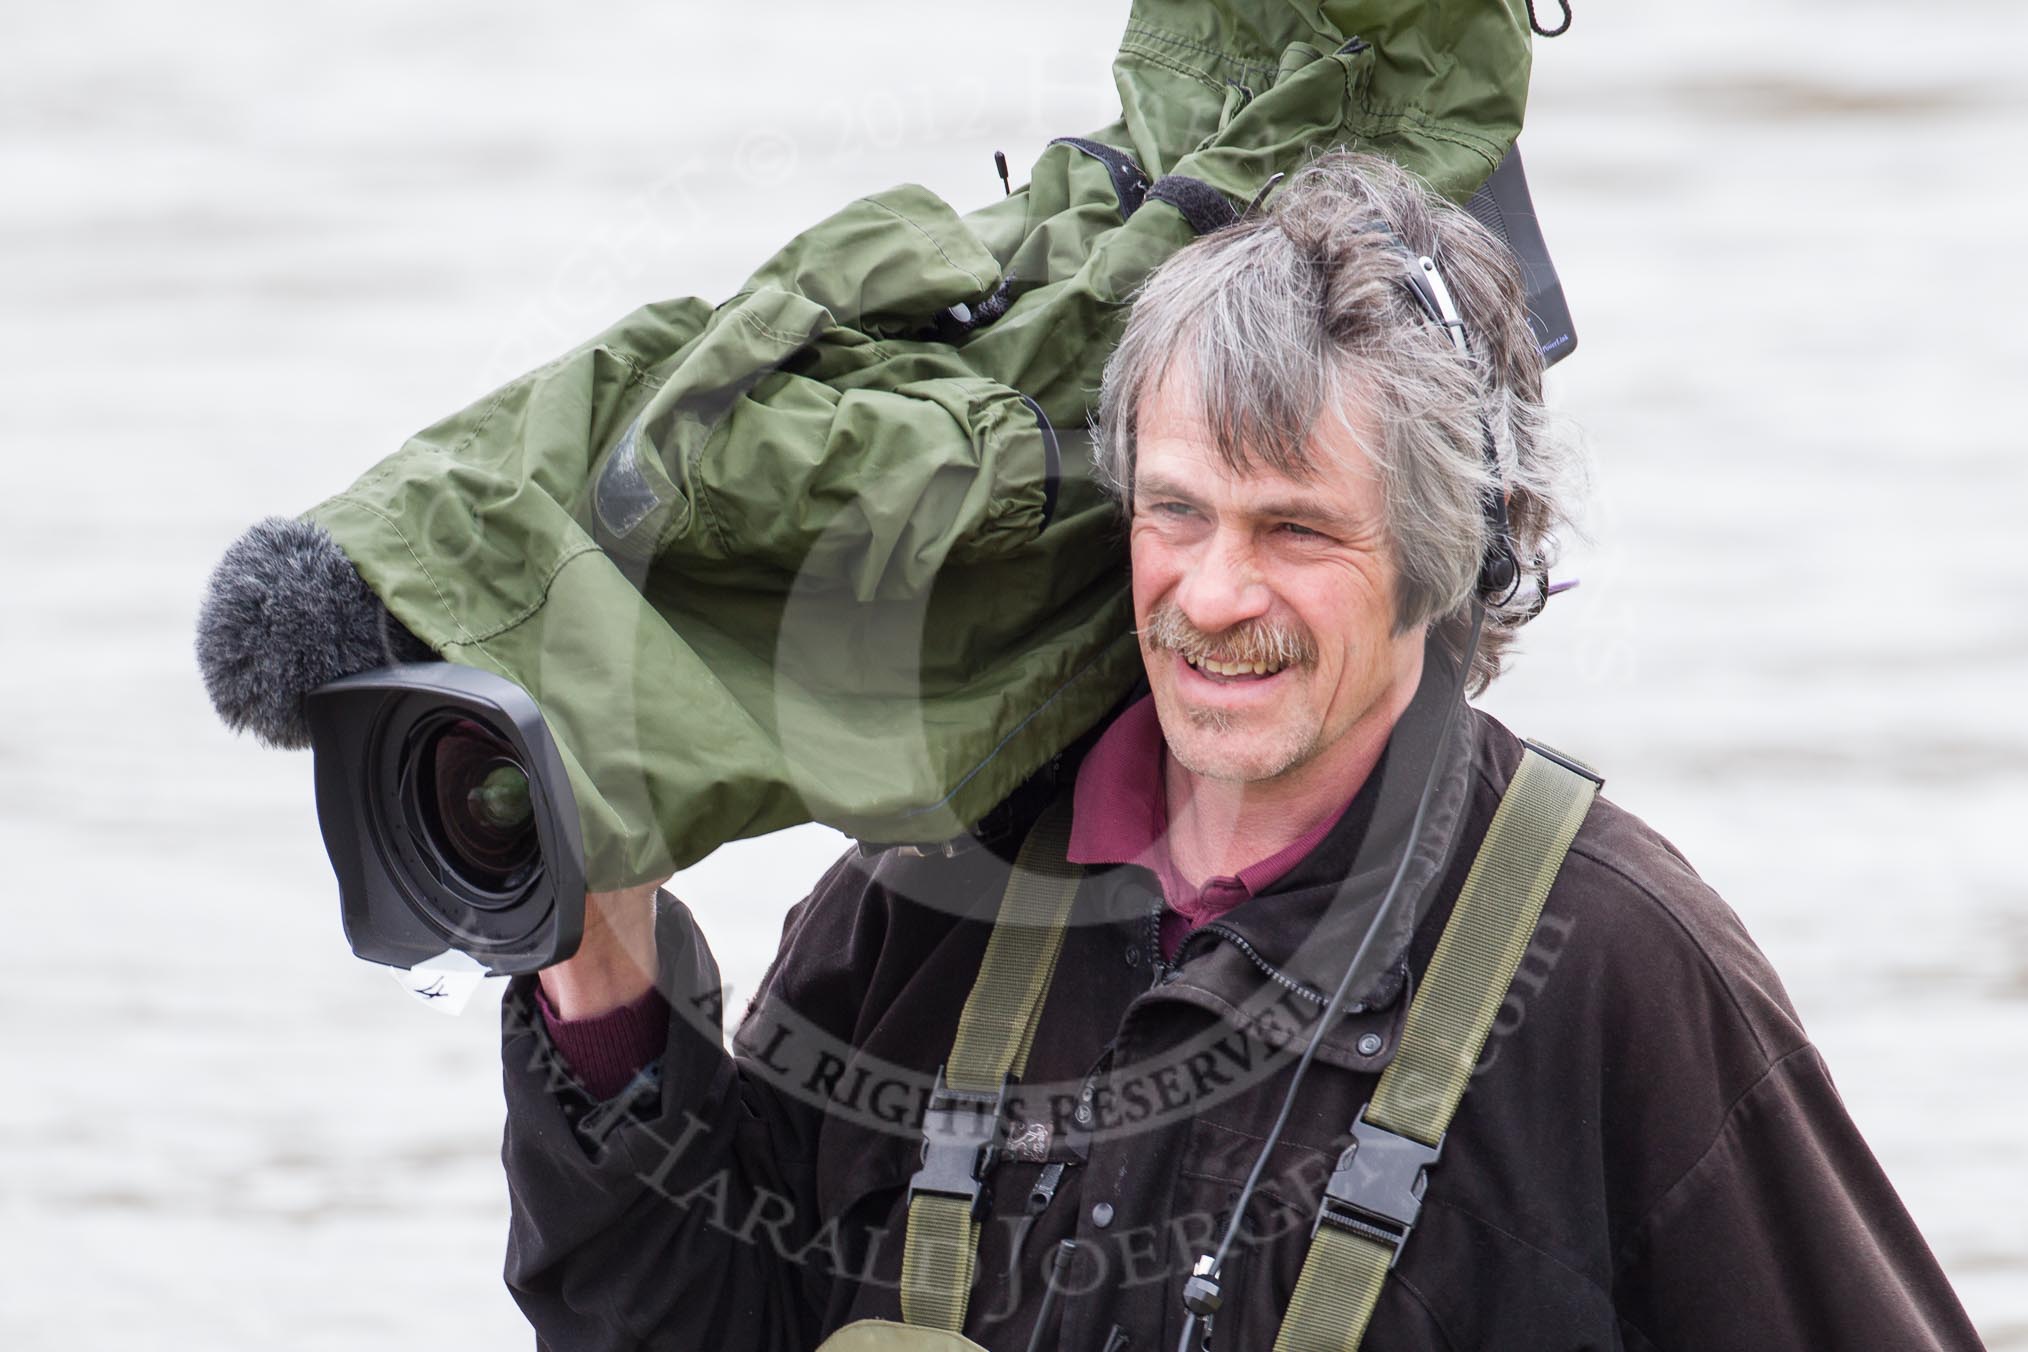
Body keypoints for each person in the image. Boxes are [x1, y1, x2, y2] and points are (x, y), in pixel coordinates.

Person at [497, 152, 1985, 1351]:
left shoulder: (1619, 963)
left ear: (1444, 559)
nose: (1213, 594)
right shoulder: (932, 885)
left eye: (1296, 529)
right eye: (1178, 511)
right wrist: (597, 971)